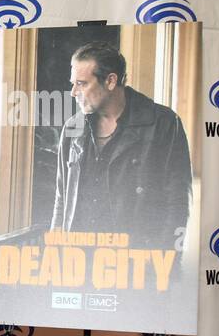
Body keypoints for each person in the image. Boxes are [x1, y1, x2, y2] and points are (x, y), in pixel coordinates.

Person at [52, 41, 192, 248]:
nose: (73, 92)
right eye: (73, 83)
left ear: (110, 81)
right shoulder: (73, 128)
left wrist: (166, 263)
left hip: (136, 258)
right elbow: (62, 198)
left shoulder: (163, 124)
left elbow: (177, 203)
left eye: (81, 83)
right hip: (79, 261)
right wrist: (55, 252)